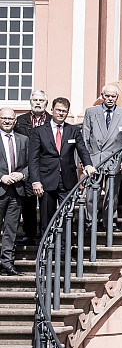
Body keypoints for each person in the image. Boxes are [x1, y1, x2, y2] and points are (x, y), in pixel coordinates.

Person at [28, 97, 93, 233]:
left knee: (66, 216)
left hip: (67, 180)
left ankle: (63, 249)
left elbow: (82, 150)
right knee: (47, 217)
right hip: (46, 180)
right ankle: (47, 251)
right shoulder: (39, 131)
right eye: (58, 110)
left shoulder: (73, 130)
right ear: (52, 110)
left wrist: (88, 165)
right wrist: (35, 181)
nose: (61, 113)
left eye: (64, 111)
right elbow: (33, 159)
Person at [82, 84, 122, 222]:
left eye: (113, 96)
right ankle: (90, 221)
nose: (110, 99)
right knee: (92, 193)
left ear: (117, 97)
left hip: (114, 158)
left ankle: (110, 220)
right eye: (107, 96)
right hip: (95, 158)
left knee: (112, 194)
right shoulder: (91, 112)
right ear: (102, 96)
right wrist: (85, 160)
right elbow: (85, 137)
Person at [14, 90, 50, 243]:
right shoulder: (20, 120)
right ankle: (29, 234)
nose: (37, 103)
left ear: (46, 103)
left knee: (46, 202)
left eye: (41, 100)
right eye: (35, 100)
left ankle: (45, 234)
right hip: (26, 166)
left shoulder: (51, 120)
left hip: (46, 166)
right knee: (28, 202)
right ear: (30, 101)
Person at [0, 107, 28, 275]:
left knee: (11, 229)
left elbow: (30, 164)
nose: (7, 121)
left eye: (10, 119)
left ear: (15, 121)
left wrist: (22, 174)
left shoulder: (23, 140)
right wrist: (1, 176)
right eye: (4, 118)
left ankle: (7, 263)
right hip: (0, 187)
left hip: (16, 191)